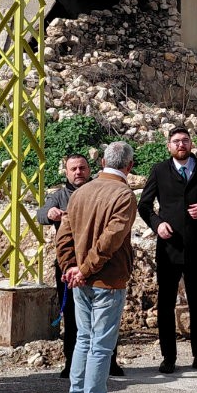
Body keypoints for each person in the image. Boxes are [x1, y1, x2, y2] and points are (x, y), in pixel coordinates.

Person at [57, 141, 138, 393]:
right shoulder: (124, 195)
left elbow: (64, 236)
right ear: (128, 166)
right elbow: (110, 240)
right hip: (107, 279)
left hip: (81, 279)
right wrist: (86, 268)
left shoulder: (80, 193)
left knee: (83, 340)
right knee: (101, 346)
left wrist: (71, 268)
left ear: (102, 163)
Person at [138, 126, 197, 373]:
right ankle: (169, 357)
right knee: (166, 304)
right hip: (169, 249)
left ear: (191, 144)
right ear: (169, 145)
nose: (181, 145)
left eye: (185, 141)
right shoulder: (159, 170)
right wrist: (158, 225)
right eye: (176, 141)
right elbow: (144, 206)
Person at [37, 154, 123, 378]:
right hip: (69, 265)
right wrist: (50, 213)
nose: (78, 172)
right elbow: (40, 214)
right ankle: (71, 362)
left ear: (90, 169)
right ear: (66, 172)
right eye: (73, 169)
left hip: (99, 264)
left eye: (82, 168)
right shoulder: (59, 196)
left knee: (105, 317)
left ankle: (110, 362)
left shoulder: (99, 190)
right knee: (71, 315)